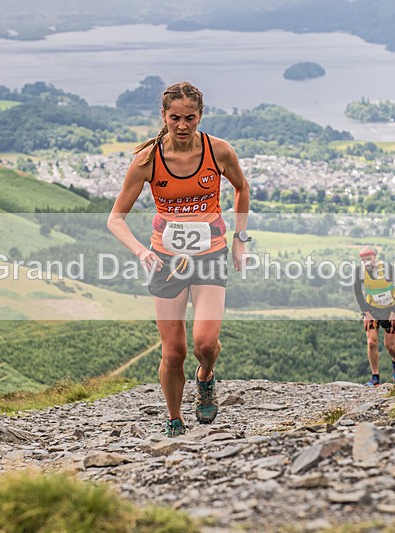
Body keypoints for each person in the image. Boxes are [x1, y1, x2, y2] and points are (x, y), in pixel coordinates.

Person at [108, 82, 250, 437]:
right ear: (164, 117)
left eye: (190, 118)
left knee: (204, 344)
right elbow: (115, 218)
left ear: (200, 116)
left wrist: (240, 239)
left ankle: (205, 377)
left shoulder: (219, 151)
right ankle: (174, 420)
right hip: (166, 261)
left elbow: (241, 188)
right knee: (173, 352)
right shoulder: (147, 160)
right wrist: (141, 251)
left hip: (210, 256)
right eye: (175, 118)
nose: (182, 125)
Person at [352, 246, 395, 386]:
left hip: (390, 310)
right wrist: (366, 313)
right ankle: (375, 377)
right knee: (371, 342)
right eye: (363, 260)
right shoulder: (360, 272)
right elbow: (358, 293)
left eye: (369, 259)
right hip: (372, 310)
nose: (366, 263)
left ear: (374, 257)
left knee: (390, 345)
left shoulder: (386, 269)